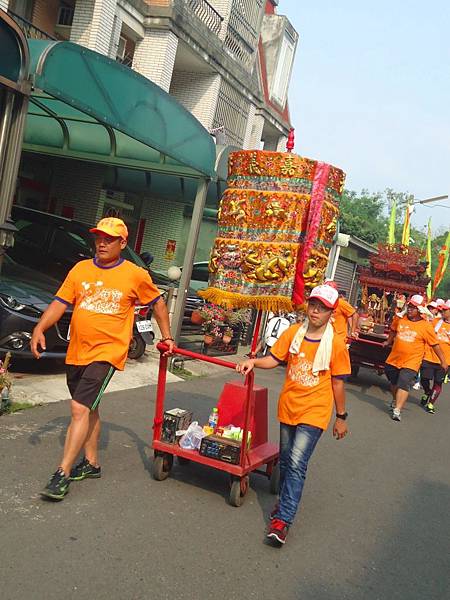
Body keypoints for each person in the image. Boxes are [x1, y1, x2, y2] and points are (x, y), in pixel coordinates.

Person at [31, 217, 175, 501]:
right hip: (77, 350)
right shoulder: (80, 269)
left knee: (78, 408)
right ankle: (93, 463)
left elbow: (157, 302)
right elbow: (60, 302)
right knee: (88, 408)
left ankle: (63, 473)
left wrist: (167, 336)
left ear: (122, 243)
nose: (102, 243)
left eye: (109, 238)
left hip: (107, 352)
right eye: (99, 237)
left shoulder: (134, 274)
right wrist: (39, 327)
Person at [236, 285, 350, 546]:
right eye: (313, 305)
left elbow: (338, 383)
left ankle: (282, 521)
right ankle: (284, 503)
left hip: (316, 411)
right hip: (289, 407)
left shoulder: (336, 345)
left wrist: (341, 416)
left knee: (297, 463)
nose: (316, 311)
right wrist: (253, 361)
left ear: (332, 313)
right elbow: (274, 359)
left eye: (322, 308)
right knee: (286, 462)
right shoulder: (293, 333)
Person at [383, 294, 447, 422]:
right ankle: (395, 400)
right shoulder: (400, 319)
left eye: (414, 307)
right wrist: (388, 342)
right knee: (394, 382)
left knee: (404, 382)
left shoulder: (426, 326)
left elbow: (435, 345)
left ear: (420, 310)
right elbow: (393, 330)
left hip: (412, 361)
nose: (411, 309)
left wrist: (443, 361)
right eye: (410, 306)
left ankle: (397, 410)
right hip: (394, 359)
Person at [419, 299, 450, 413]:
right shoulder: (435, 321)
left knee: (438, 382)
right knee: (424, 378)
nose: (443, 311)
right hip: (429, 356)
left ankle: (431, 404)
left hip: (445, 361)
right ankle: (427, 392)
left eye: (446, 310)